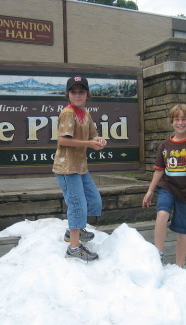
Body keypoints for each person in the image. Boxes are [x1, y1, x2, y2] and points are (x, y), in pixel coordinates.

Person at [142, 104, 186, 267]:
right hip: (168, 187)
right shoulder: (165, 145)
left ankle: (180, 266)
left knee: (182, 231)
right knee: (162, 215)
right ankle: (157, 254)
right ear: (171, 122)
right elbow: (159, 170)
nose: (180, 123)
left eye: (184, 119)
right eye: (176, 119)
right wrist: (150, 190)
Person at [53, 76, 107, 262]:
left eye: (81, 91)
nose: (77, 95)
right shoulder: (68, 113)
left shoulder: (86, 113)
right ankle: (74, 248)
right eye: (73, 91)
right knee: (77, 204)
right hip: (67, 168)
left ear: (87, 95)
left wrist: (99, 140)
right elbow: (63, 140)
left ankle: (73, 230)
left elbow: (94, 135)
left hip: (81, 167)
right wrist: (89, 143)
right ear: (67, 95)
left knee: (94, 201)